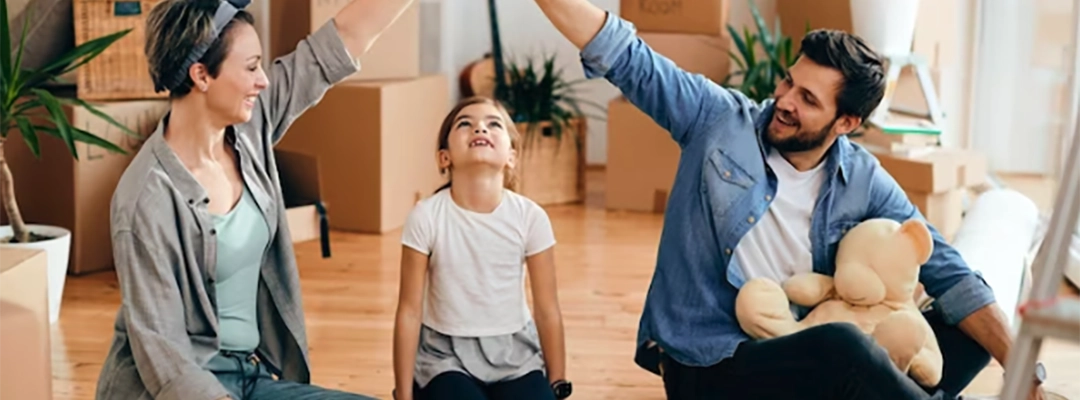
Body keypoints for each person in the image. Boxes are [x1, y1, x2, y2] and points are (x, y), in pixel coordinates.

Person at [531, 1, 1049, 399]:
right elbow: (625, 55)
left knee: (970, 332)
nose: (783, 101)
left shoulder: (861, 178)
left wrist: (1027, 375)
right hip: (714, 364)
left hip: (804, 349)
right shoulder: (718, 122)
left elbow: (950, 274)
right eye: (789, 82)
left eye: (808, 99)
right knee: (843, 347)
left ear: (846, 123)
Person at [95, 0, 415, 399]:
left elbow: (343, 38)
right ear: (201, 75)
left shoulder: (248, 129)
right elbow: (166, 359)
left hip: (250, 377)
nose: (263, 81)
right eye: (251, 67)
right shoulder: (146, 198)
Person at [391, 97, 573, 400]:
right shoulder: (425, 216)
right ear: (444, 157)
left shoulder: (531, 217)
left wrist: (557, 382)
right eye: (465, 123)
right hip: (444, 357)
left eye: (494, 124)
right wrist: (403, 394)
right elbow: (409, 311)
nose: (480, 128)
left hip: (515, 356)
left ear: (511, 156)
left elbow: (547, 308)